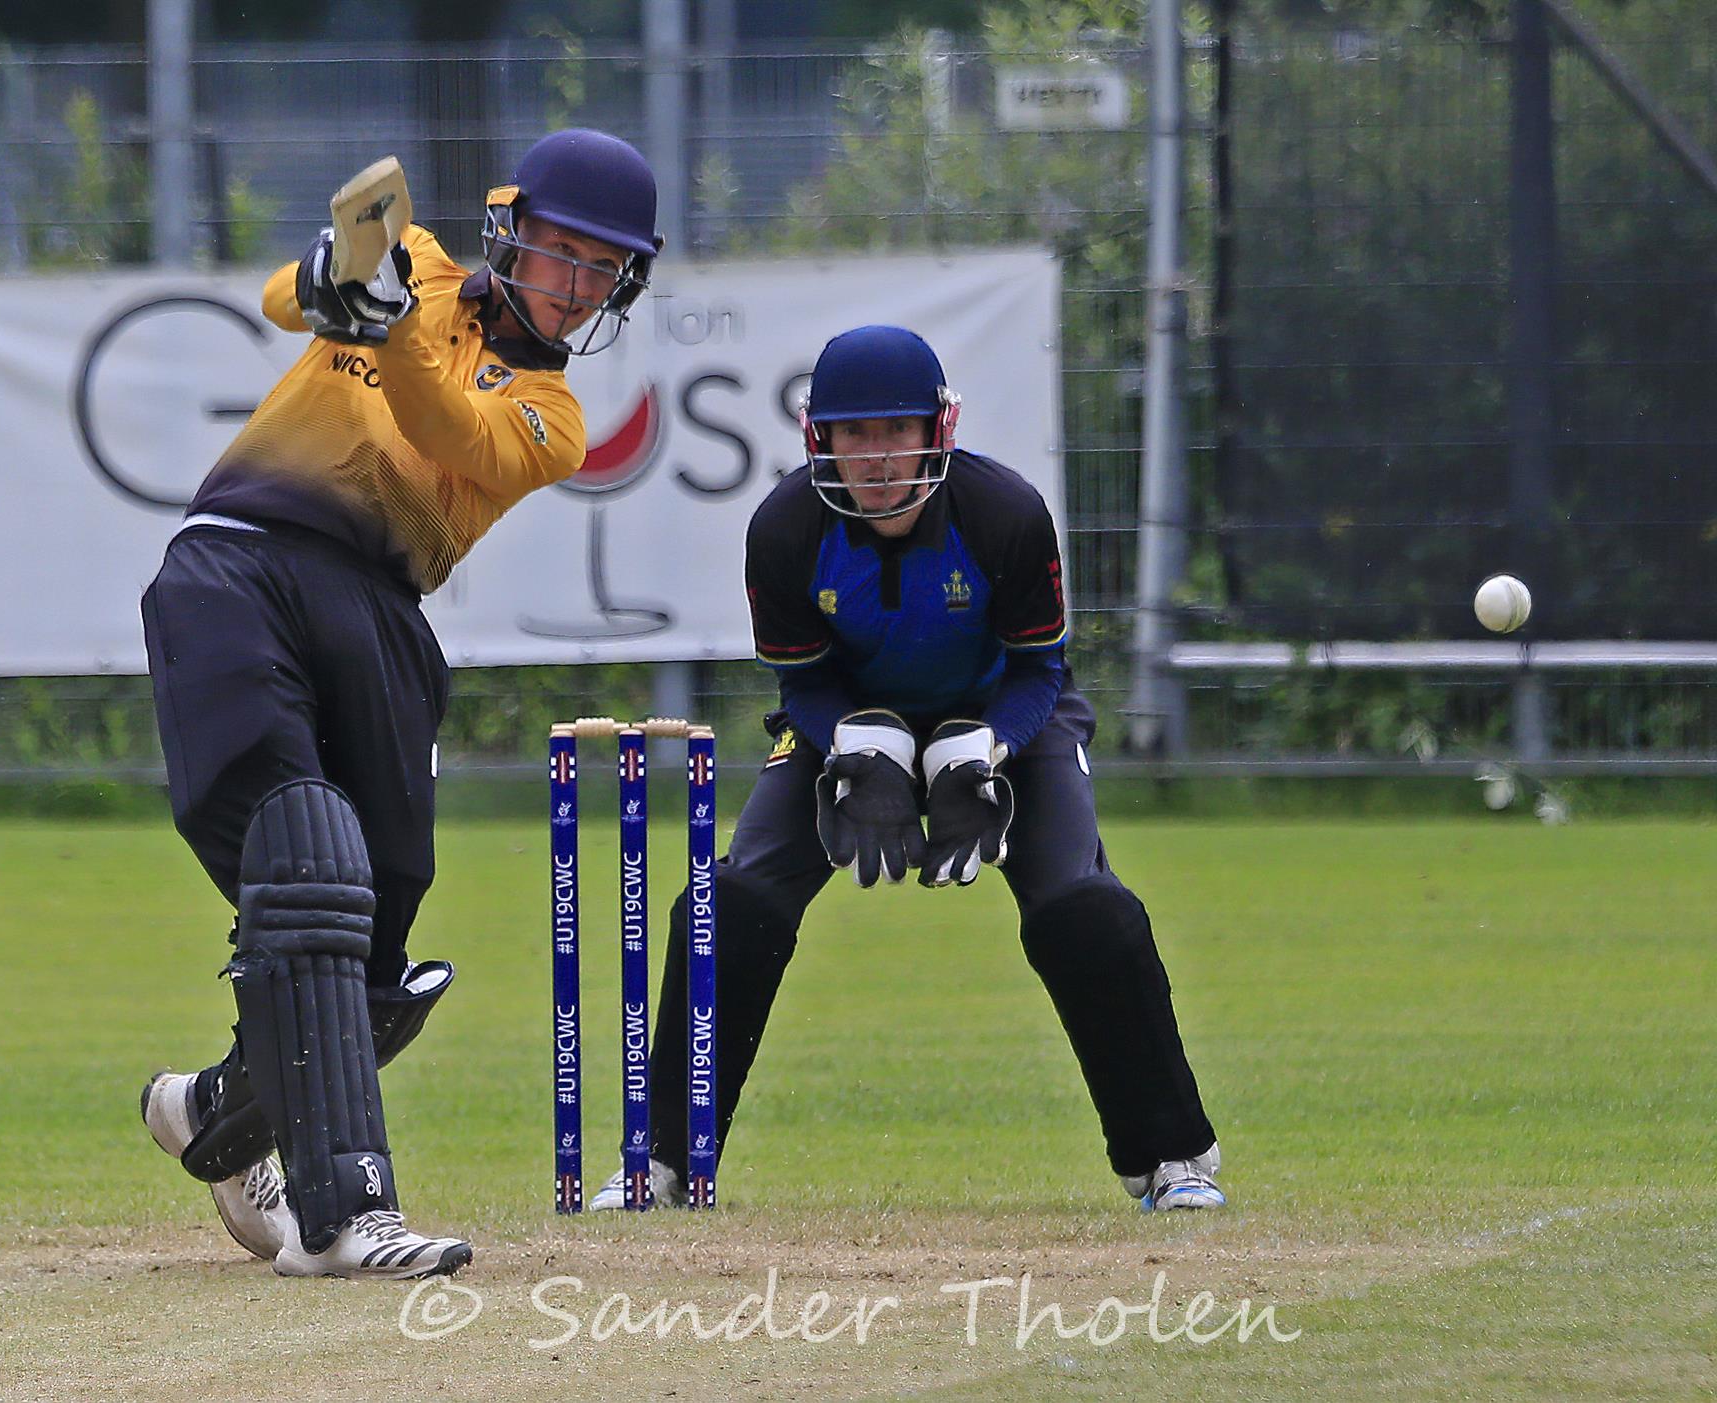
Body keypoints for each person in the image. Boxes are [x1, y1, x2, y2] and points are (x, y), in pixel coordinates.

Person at [138, 129, 663, 1278]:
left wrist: (388, 328)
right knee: (305, 853)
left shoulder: (552, 416)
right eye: (561, 251)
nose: (573, 283)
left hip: (379, 606)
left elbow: (445, 428)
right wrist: (340, 277)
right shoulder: (413, 258)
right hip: (239, 555)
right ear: (510, 228)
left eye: (600, 267)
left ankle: (215, 1109)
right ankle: (343, 1216)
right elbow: (284, 296)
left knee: (375, 945)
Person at [592, 324, 1224, 1212]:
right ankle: (664, 1159)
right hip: (844, 721)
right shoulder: (784, 528)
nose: (879, 457)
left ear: (940, 427)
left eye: (897, 429)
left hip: (1008, 715)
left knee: (1083, 907)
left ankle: (1172, 1156)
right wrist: (860, 745)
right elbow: (803, 681)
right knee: (727, 901)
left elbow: (1041, 668)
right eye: (856, 434)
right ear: (820, 438)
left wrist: (986, 748)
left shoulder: (1005, 513)